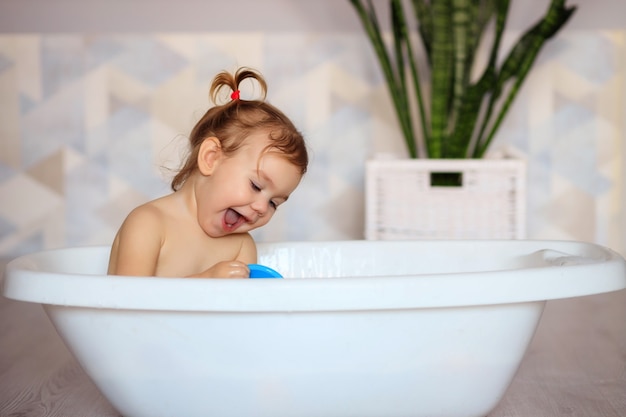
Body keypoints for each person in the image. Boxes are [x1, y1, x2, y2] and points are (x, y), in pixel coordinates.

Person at [107, 67, 308, 278]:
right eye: (256, 186)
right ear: (210, 158)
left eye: (273, 203)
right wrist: (207, 281)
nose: (260, 207)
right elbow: (130, 302)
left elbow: (235, 309)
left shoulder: (241, 246)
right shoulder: (148, 224)